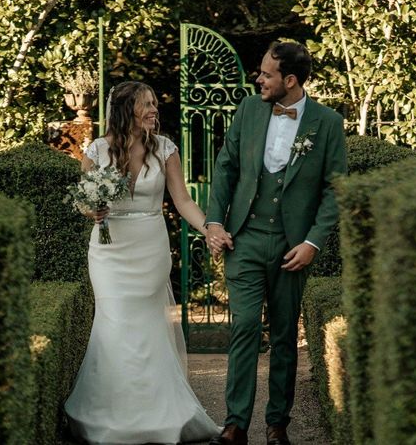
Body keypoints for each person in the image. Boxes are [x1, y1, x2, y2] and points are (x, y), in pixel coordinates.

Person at [205, 41, 347, 445]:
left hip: (293, 248)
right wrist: (215, 221)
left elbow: (334, 190)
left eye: (266, 74)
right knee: (245, 326)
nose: (259, 79)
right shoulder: (249, 109)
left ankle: (277, 423)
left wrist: (313, 243)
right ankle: (235, 424)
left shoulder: (327, 122)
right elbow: (226, 167)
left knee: (285, 334)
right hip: (245, 239)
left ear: (290, 80)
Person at [64, 80, 220, 444]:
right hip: (108, 250)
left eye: (154, 103)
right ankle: (112, 414)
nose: (154, 110)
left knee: (146, 328)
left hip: (149, 248)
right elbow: (84, 202)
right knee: (114, 325)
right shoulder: (97, 150)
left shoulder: (165, 148)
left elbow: (182, 201)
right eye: (146, 104)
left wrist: (210, 228)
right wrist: (93, 209)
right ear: (125, 112)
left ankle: (157, 412)